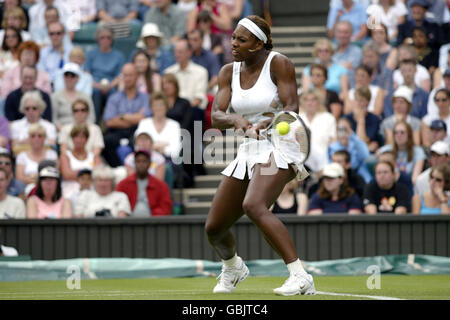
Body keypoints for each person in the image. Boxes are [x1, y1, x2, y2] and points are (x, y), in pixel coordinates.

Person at [205, 15, 315, 296]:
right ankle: (233, 268)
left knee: (254, 205)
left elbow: (292, 107)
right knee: (215, 228)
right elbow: (217, 116)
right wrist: (236, 122)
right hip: (250, 149)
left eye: (241, 40)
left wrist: (271, 121)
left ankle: (300, 276)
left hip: (281, 145)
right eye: (233, 38)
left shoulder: (279, 63)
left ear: (258, 44)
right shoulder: (228, 71)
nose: (233, 44)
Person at [102, 63, 151, 168]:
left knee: (141, 141)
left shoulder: (145, 98)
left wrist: (122, 116)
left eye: (130, 75)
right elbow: (109, 121)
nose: (127, 79)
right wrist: (135, 117)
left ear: (137, 76)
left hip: (137, 130)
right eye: (125, 75)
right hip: (116, 131)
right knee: (106, 141)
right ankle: (118, 169)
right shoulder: (114, 98)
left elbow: (144, 118)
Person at [84, 26, 126, 123]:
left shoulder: (119, 56)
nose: (105, 40)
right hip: (95, 85)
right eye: (102, 37)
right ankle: (95, 122)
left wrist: (109, 86)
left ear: (112, 40)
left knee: (115, 94)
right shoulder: (91, 54)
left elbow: (120, 76)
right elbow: (87, 74)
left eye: (108, 37)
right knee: (95, 93)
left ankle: (112, 122)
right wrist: (98, 86)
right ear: (98, 39)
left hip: (112, 85)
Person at [116, 149, 172, 216]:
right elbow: (116, 203)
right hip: (129, 223)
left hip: (153, 223)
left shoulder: (161, 186)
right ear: (134, 163)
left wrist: (153, 216)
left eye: (144, 161)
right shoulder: (123, 184)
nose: (141, 164)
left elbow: (166, 207)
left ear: (149, 163)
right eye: (138, 161)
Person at [299, 88, 337, 174]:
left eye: (313, 100)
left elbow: (333, 141)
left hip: (322, 159)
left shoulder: (328, 118)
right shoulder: (298, 118)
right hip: (300, 159)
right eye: (306, 100)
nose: (309, 103)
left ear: (318, 102)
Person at [164, 38, 209, 110]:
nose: (177, 55)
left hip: (194, 111)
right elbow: (165, 97)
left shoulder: (201, 72)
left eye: (180, 52)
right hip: (173, 111)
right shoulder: (168, 72)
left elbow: (199, 98)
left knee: (198, 118)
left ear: (189, 53)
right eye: (175, 52)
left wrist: (185, 111)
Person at [136, 91, 181, 161]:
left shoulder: (175, 125)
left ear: (166, 107)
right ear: (151, 108)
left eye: (161, 105)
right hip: (146, 161)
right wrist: (163, 145)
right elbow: (138, 147)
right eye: (155, 105)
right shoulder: (143, 123)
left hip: (168, 161)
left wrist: (152, 146)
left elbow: (175, 151)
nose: (158, 108)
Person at [377, 120, 426, 184]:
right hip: (389, 185)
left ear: (409, 135)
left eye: (402, 132)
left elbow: (415, 178)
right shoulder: (386, 150)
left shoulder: (418, 151)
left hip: (409, 184)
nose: (398, 135)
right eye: (396, 133)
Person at [58, 99, 104, 166]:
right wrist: (75, 161)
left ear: (87, 112)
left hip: (90, 162)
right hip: (71, 162)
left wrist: (87, 161)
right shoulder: (65, 129)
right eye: (76, 110)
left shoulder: (95, 129)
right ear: (72, 113)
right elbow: (63, 150)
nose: (79, 113)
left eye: (83, 110)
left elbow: (97, 150)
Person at [51, 62, 95, 130]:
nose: (69, 78)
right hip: (62, 131)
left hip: (83, 132)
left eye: (72, 76)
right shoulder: (55, 96)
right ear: (63, 77)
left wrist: (83, 130)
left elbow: (91, 117)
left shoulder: (85, 96)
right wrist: (63, 131)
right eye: (66, 75)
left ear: (78, 78)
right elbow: (54, 118)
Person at [10, 90, 56, 155]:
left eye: (34, 108)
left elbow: (52, 145)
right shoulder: (16, 125)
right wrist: (40, 141)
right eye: (27, 108)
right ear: (23, 109)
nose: (30, 111)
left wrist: (25, 142)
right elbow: (13, 146)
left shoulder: (49, 126)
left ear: (40, 109)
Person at [328, 117, 372, 183]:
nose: (343, 132)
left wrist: (352, 135)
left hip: (360, 176)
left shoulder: (356, 143)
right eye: (340, 129)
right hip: (340, 176)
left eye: (345, 129)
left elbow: (366, 155)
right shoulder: (333, 147)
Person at [60, 124, 95, 198]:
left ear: (87, 139)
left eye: (82, 137)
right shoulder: (65, 156)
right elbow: (67, 175)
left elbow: (97, 174)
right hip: (70, 191)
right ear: (72, 139)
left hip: (90, 190)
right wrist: (88, 173)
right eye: (76, 137)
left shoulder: (93, 156)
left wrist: (76, 173)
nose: (79, 140)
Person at [344, 86, 382, 154]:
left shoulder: (374, 119)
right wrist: (367, 146)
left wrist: (361, 120)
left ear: (368, 102)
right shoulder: (346, 118)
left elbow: (362, 141)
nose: (358, 103)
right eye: (356, 100)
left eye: (361, 101)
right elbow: (343, 141)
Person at [187, 28, 221, 93]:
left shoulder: (211, 56)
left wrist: (203, 89)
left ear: (202, 40)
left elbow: (215, 78)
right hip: (188, 88)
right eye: (190, 40)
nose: (192, 43)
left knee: (216, 89)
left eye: (195, 40)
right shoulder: (186, 55)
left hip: (206, 88)